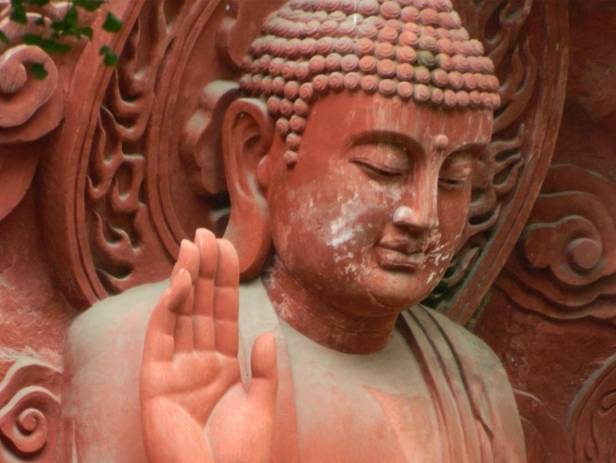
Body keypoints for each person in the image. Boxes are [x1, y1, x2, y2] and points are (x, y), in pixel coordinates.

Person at [62, 1, 526, 462]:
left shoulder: (475, 386)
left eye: (454, 179)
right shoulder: (142, 346)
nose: (421, 214)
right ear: (255, 155)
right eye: (384, 168)